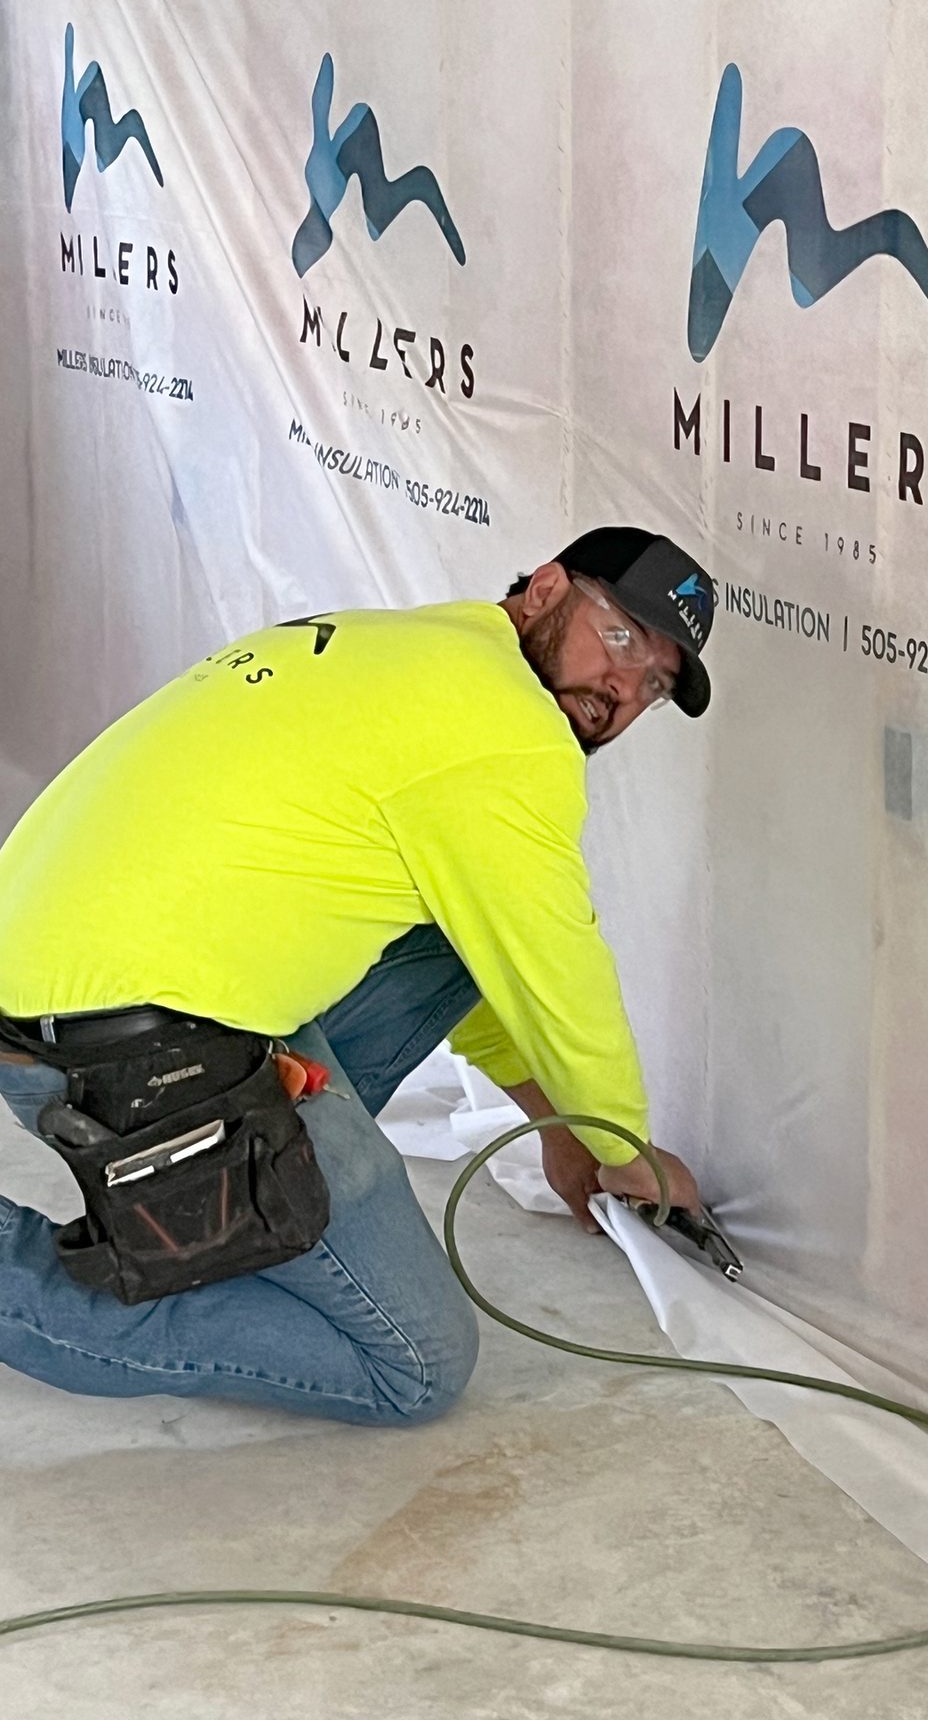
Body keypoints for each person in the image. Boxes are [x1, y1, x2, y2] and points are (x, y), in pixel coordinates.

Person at [0, 526, 717, 1427]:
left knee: (461, 926)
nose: (623, 689)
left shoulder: (411, 651)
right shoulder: (511, 735)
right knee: (415, 1363)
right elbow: (561, 978)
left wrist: (557, 1122)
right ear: (543, 590)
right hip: (134, 1051)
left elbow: (479, 951)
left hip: (62, 999)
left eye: (654, 680)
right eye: (619, 638)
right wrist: (629, 1151)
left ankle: (262, 1212)